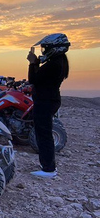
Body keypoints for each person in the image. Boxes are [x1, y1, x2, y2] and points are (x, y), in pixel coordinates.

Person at [27, 33, 70, 178]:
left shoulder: (53, 64)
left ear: (55, 48)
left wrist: (33, 63)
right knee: (44, 133)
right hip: (49, 100)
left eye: (46, 48)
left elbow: (34, 79)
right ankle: (47, 165)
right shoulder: (59, 61)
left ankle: (48, 169)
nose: (43, 51)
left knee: (44, 134)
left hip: (45, 101)